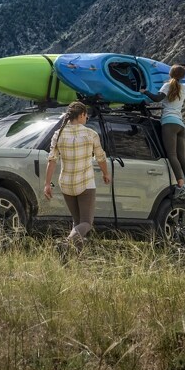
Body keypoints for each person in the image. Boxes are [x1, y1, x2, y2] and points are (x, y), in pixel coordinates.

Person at [44, 101, 110, 258]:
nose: (87, 118)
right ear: (81, 115)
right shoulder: (90, 134)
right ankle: (66, 244)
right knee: (86, 222)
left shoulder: (58, 134)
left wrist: (47, 184)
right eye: (86, 115)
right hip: (85, 182)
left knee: (77, 221)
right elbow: (100, 157)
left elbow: (52, 160)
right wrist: (106, 173)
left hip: (66, 183)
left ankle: (72, 258)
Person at [140, 64, 185, 200]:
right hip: (180, 124)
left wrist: (145, 92)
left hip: (169, 123)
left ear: (170, 74)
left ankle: (180, 186)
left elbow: (156, 98)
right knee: (182, 158)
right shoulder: (184, 87)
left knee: (172, 155)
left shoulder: (167, 86)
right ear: (182, 76)